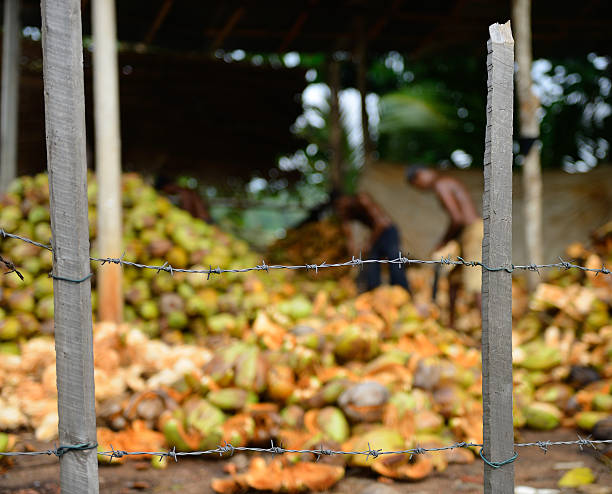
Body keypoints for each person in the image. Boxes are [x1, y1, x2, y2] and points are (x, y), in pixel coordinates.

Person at [406, 165, 483, 327]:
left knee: (476, 282)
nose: (421, 189)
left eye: (417, 186)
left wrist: (443, 241)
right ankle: (451, 324)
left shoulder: (441, 184)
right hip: (466, 233)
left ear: (419, 176)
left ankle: (487, 336)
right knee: (453, 277)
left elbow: (457, 218)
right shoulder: (446, 182)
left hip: (472, 231)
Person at [333, 190, 411, 293]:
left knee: (394, 260)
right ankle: (374, 290)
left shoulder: (362, 200)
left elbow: (381, 223)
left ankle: (402, 290)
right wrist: (353, 254)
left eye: (341, 203)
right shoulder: (345, 211)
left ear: (346, 198)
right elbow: (349, 235)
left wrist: (369, 243)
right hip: (376, 232)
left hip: (388, 231)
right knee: (371, 261)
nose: (341, 207)